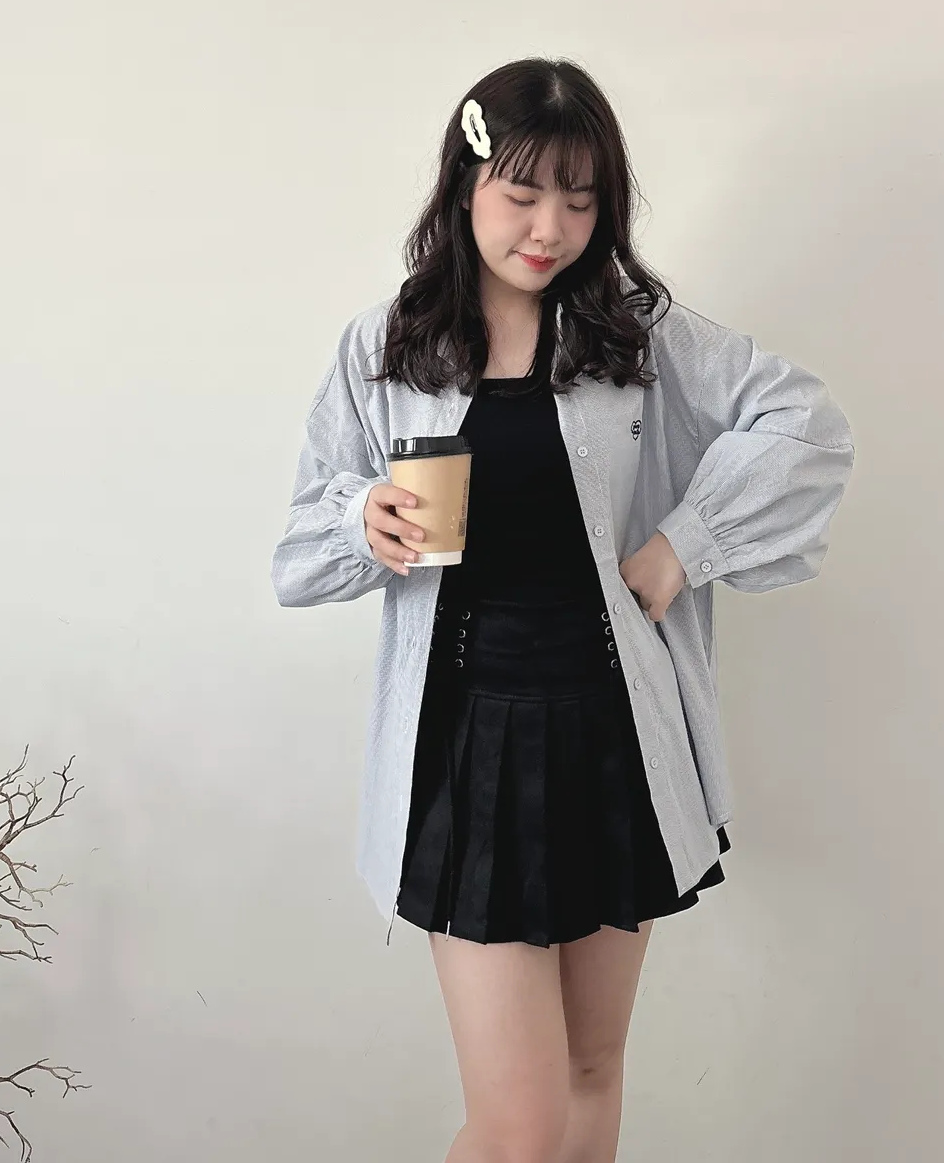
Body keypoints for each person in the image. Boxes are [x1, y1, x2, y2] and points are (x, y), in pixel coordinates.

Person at [271, 57, 854, 1162]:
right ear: (465, 186)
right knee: (521, 1129)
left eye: (581, 202)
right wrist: (362, 520)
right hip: (467, 745)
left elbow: (806, 425)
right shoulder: (387, 347)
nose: (550, 229)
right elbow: (300, 551)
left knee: (591, 1073)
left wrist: (683, 546)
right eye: (524, 194)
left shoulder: (635, 336)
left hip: (611, 735)